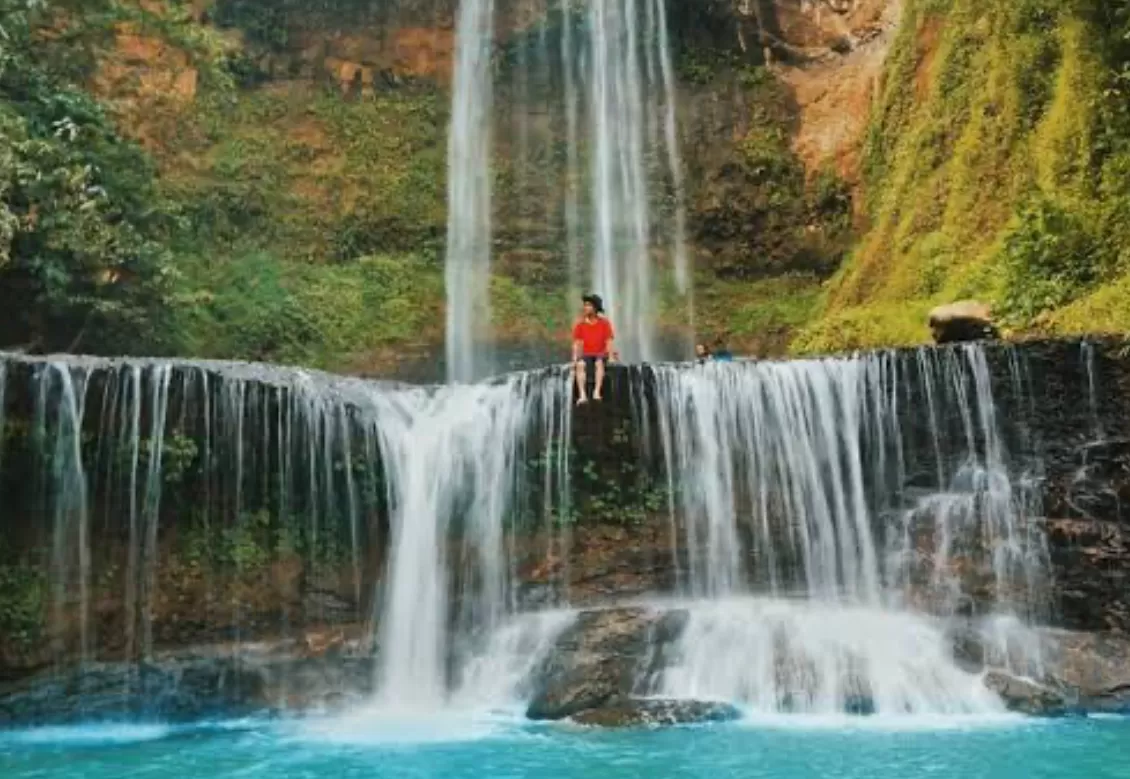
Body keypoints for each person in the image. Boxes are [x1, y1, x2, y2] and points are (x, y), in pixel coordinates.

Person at [572, 294, 617, 405]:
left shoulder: (604, 323)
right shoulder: (580, 325)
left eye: (588, 305)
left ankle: (596, 392)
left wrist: (611, 357)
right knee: (580, 365)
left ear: (595, 308)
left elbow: (609, 341)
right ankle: (582, 395)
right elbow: (577, 343)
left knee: (599, 363)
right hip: (587, 354)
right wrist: (574, 359)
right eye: (585, 305)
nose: (585, 308)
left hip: (600, 353)